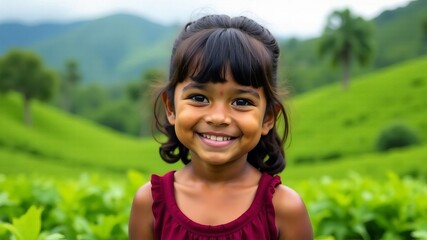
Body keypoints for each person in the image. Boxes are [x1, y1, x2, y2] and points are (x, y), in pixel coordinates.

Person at [129, 14, 313, 240]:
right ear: (171, 108)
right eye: (198, 97)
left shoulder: (285, 209)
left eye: (242, 102)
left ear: (268, 118)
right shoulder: (149, 203)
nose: (218, 117)